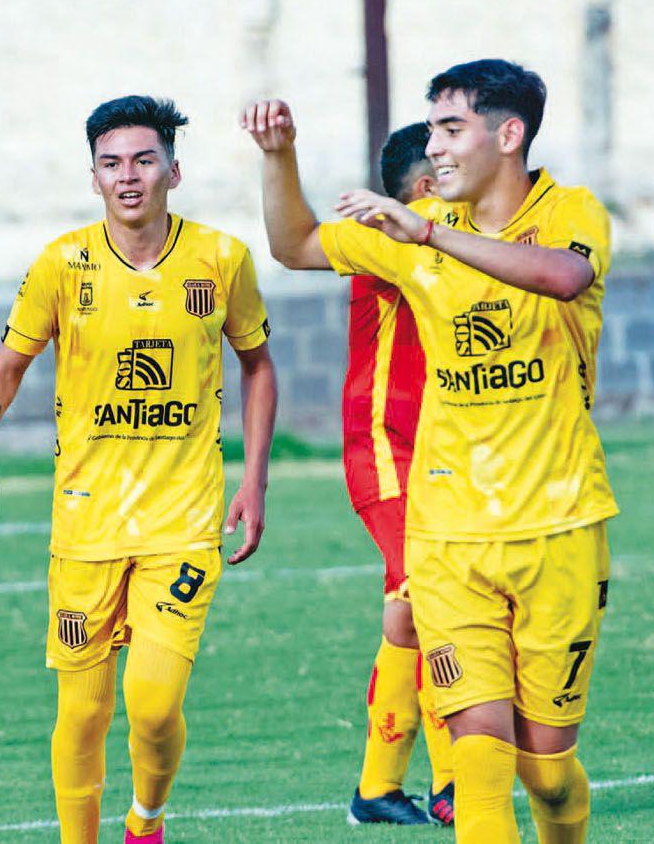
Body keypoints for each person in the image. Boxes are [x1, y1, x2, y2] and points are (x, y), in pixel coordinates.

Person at [244, 58, 615, 843]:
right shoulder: (409, 238)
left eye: (452, 129)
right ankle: (387, 783)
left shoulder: (570, 211)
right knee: (479, 772)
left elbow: (561, 276)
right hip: (447, 537)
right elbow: (296, 243)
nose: (435, 148)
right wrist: (279, 157)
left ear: (508, 136)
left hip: (559, 528)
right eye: (435, 130)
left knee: (545, 775)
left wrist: (434, 236)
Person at [0, 95, 278, 844]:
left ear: (173, 169)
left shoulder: (220, 259)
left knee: (155, 703)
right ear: (94, 177)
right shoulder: (61, 264)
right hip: (85, 523)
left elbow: (258, 367)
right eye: (111, 163)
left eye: (142, 159)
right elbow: (6, 368)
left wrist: (256, 476)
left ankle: (147, 818)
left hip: (184, 519)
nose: (127, 176)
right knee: (82, 713)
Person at [343, 122, 455, 827]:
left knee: (412, 610)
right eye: (446, 166)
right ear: (422, 190)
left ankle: (378, 791)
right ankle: (450, 784)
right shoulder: (389, 238)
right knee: (431, 597)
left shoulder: (444, 239)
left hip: (438, 452)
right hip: (385, 444)